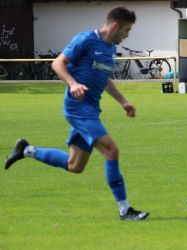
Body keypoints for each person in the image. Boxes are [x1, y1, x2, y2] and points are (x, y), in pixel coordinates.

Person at [3, 6, 149, 221]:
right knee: (111, 151)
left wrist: (123, 102)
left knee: (75, 165)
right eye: (127, 30)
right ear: (115, 26)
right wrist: (72, 84)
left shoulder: (109, 49)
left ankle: (26, 150)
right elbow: (58, 63)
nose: (127, 35)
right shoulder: (86, 40)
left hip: (91, 110)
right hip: (78, 109)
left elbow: (104, 78)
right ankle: (125, 210)